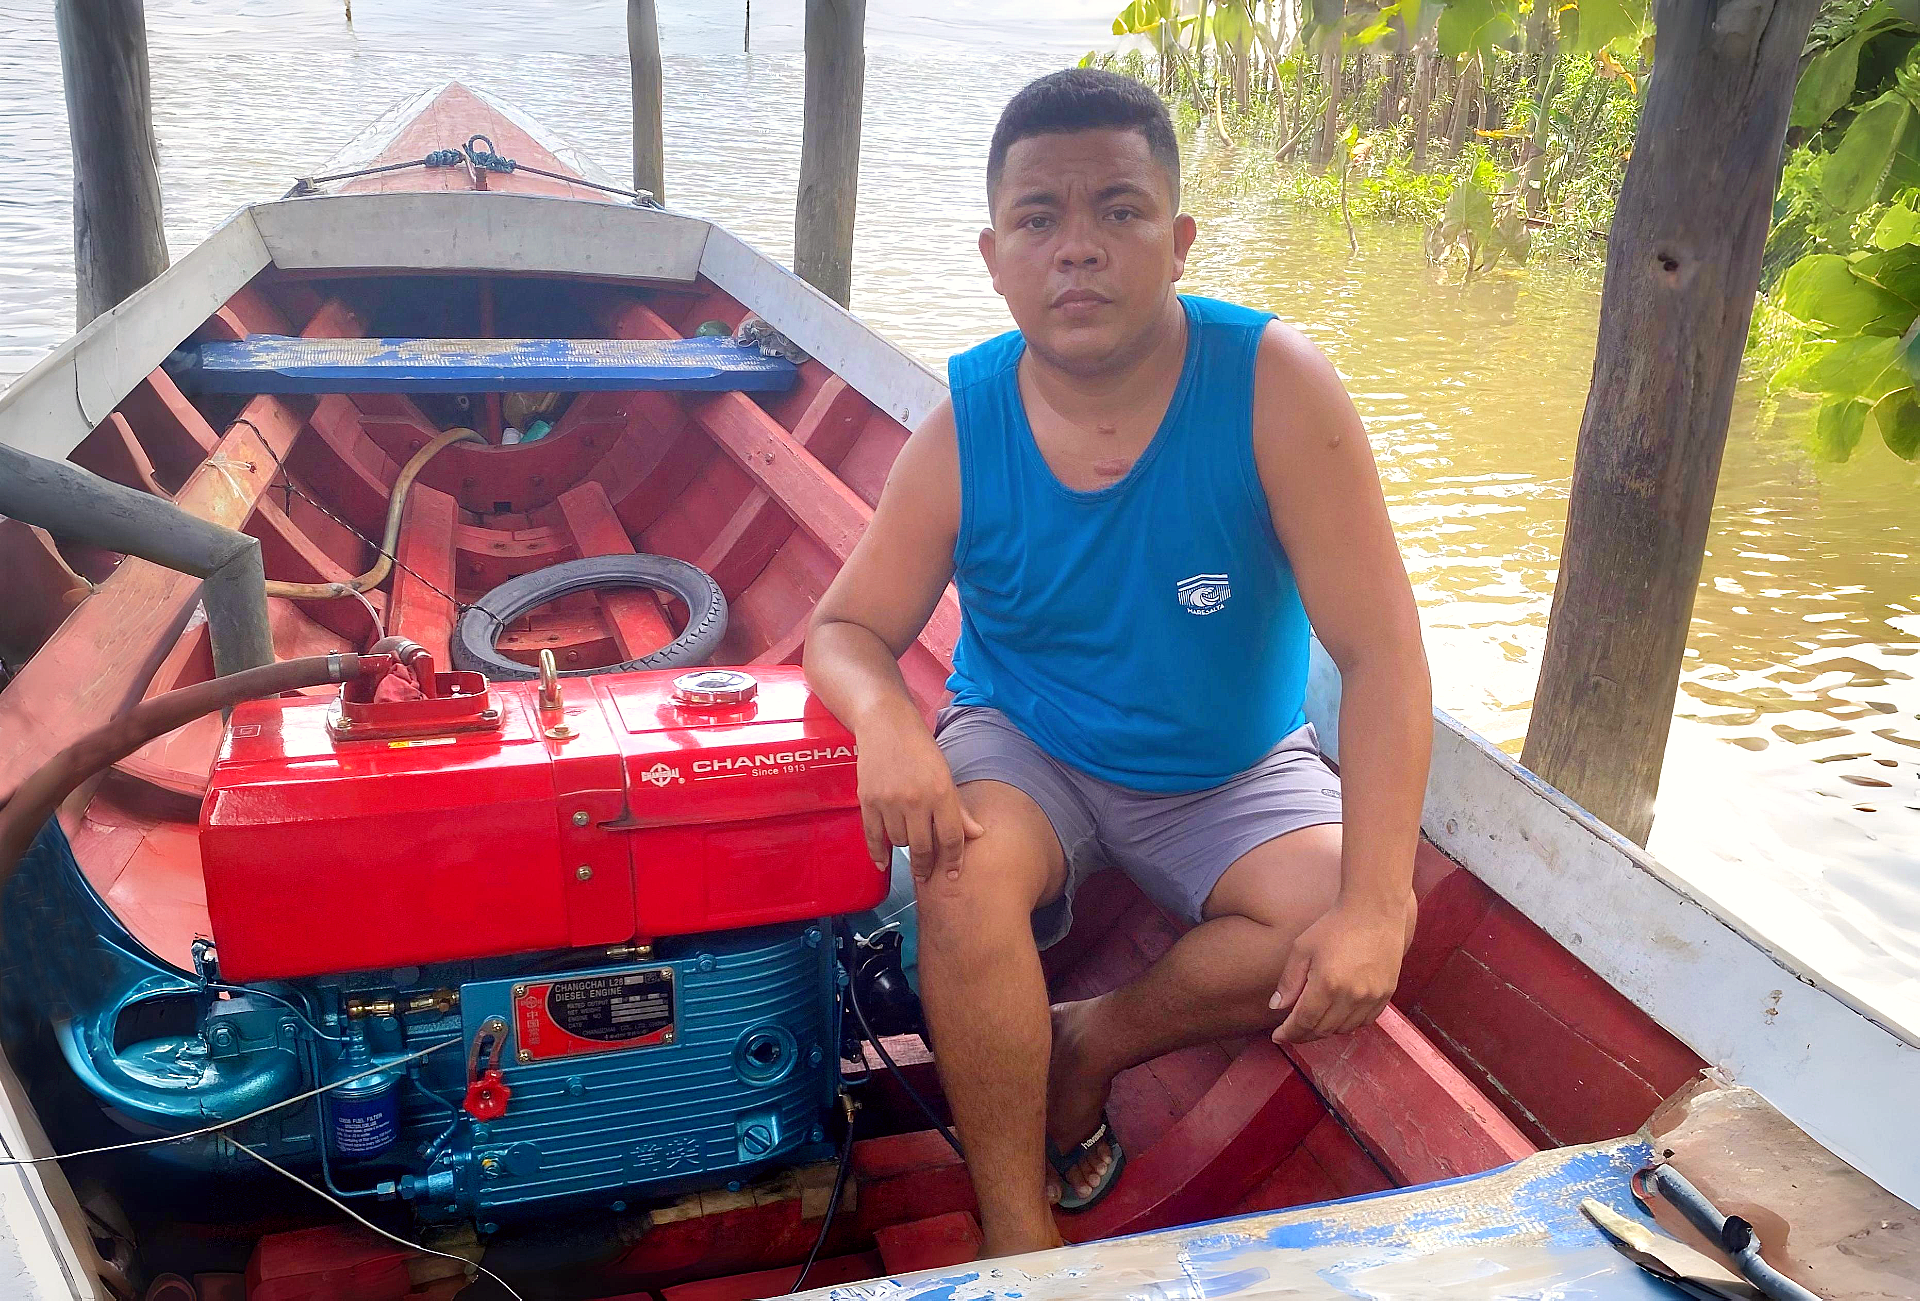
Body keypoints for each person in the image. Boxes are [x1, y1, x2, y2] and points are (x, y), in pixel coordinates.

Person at [803, 67, 1432, 1259]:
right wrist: (887, 722)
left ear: (1179, 238)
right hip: (1028, 741)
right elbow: (843, 630)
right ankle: (1017, 1227)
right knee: (961, 868)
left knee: (1338, 928)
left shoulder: (1275, 389)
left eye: (1119, 211)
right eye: (1040, 218)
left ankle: (1091, 1040)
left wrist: (1380, 903)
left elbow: (1383, 654)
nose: (1077, 249)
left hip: (1230, 766)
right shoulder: (964, 424)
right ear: (994, 255)